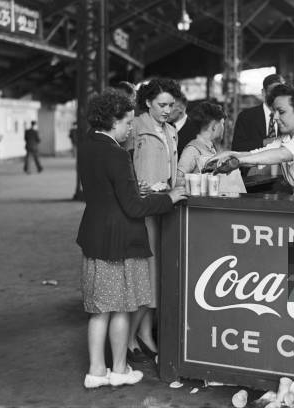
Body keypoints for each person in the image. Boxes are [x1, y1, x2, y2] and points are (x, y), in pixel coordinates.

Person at [77, 88, 187, 388]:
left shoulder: (87, 145)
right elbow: (134, 207)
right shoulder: (116, 153)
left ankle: (96, 372)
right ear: (114, 122)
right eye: (127, 123)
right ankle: (121, 370)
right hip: (121, 239)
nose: (130, 128)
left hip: (94, 235)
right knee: (123, 308)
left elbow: (104, 191)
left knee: (99, 310)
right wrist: (170, 198)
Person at [210, 84, 294, 197]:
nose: (275, 117)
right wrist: (230, 154)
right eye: (274, 112)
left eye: (281, 111)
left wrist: (238, 161)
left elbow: (282, 154)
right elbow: (257, 154)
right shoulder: (286, 138)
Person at [130, 78, 182, 362]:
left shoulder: (172, 130)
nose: (166, 110)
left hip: (166, 204)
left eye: (171, 105)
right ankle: (132, 335)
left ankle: (145, 331)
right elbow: (119, 159)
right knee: (145, 272)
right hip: (143, 207)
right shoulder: (135, 126)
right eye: (161, 104)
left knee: (159, 271)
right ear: (147, 102)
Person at [176, 102, 246, 193]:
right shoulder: (192, 149)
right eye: (222, 124)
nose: (223, 128)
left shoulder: (211, 148)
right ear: (214, 126)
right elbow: (177, 181)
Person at [231, 73, 286, 177]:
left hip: (282, 176)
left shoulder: (287, 117)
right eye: (273, 92)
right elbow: (237, 148)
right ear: (263, 92)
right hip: (253, 175)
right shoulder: (246, 117)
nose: (276, 96)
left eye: (281, 92)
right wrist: (264, 142)